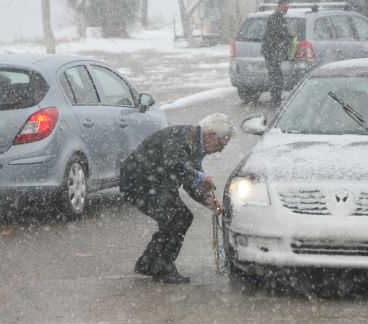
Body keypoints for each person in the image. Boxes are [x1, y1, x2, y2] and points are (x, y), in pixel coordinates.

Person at [119, 113, 235, 284]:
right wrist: (202, 178)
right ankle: (162, 267)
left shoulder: (196, 143)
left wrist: (207, 201)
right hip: (140, 182)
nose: (222, 148)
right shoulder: (184, 138)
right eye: (221, 142)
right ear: (210, 136)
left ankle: (148, 263)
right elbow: (176, 164)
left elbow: (189, 181)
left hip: (155, 183)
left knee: (178, 217)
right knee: (176, 218)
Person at [261, 0, 291, 107]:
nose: (287, 8)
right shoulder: (275, 18)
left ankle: (276, 98)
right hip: (271, 52)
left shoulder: (278, 17)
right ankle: (275, 100)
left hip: (272, 52)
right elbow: (277, 36)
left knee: (276, 76)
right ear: (280, 5)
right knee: (276, 77)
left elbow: (280, 35)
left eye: (288, 6)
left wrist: (288, 37)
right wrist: (287, 38)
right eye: (286, 6)